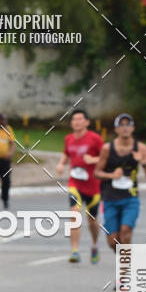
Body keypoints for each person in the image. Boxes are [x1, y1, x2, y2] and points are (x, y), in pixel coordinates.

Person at [95, 114, 146, 267]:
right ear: (116, 129)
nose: (125, 128)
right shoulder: (108, 149)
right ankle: (126, 259)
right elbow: (97, 172)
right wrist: (111, 175)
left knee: (126, 233)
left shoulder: (141, 148)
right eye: (121, 125)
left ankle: (123, 275)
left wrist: (143, 164)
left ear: (133, 128)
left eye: (128, 124)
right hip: (110, 199)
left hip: (131, 199)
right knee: (113, 241)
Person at [55, 109, 103, 264]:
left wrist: (93, 159)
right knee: (74, 214)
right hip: (75, 183)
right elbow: (66, 153)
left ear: (87, 122)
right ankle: (74, 251)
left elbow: (107, 157)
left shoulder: (95, 139)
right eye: (74, 119)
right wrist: (61, 164)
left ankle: (94, 244)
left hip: (94, 186)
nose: (76, 122)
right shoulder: (68, 139)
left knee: (92, 220)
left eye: (80, 119)